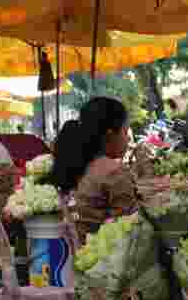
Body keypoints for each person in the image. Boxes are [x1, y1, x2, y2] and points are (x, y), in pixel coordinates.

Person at [46, 97, 135, 234]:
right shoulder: (114, 171)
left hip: (72, 247)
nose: (128, 138)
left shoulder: (76, 162)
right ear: (110, 135)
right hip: (98, 251)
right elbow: (130, 226)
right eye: (125, 131)